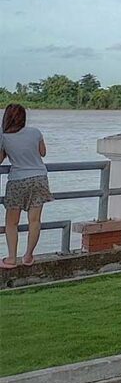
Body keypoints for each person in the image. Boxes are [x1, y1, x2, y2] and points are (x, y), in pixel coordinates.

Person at [0, 104, 53, 268]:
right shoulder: (35, 132)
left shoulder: (3, 137)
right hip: (39, 178)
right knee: (35, 220)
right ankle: (28, 256)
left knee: (11, 222)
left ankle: (11, 259)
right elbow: (43, 152)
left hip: (17, 180)